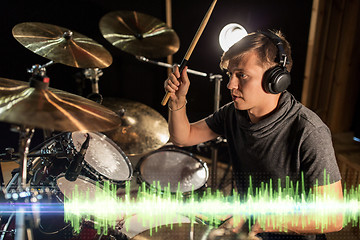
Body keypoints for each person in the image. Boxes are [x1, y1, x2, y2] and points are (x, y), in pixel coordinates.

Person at [164, 30, 343, 240]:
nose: (230, 85)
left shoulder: (309, 131)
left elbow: (333, 218)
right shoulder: (233, 113)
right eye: (230, 74)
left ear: (276, 79)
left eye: (242, 75)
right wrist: (178, 102)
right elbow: (183, 137)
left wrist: (255, 218)